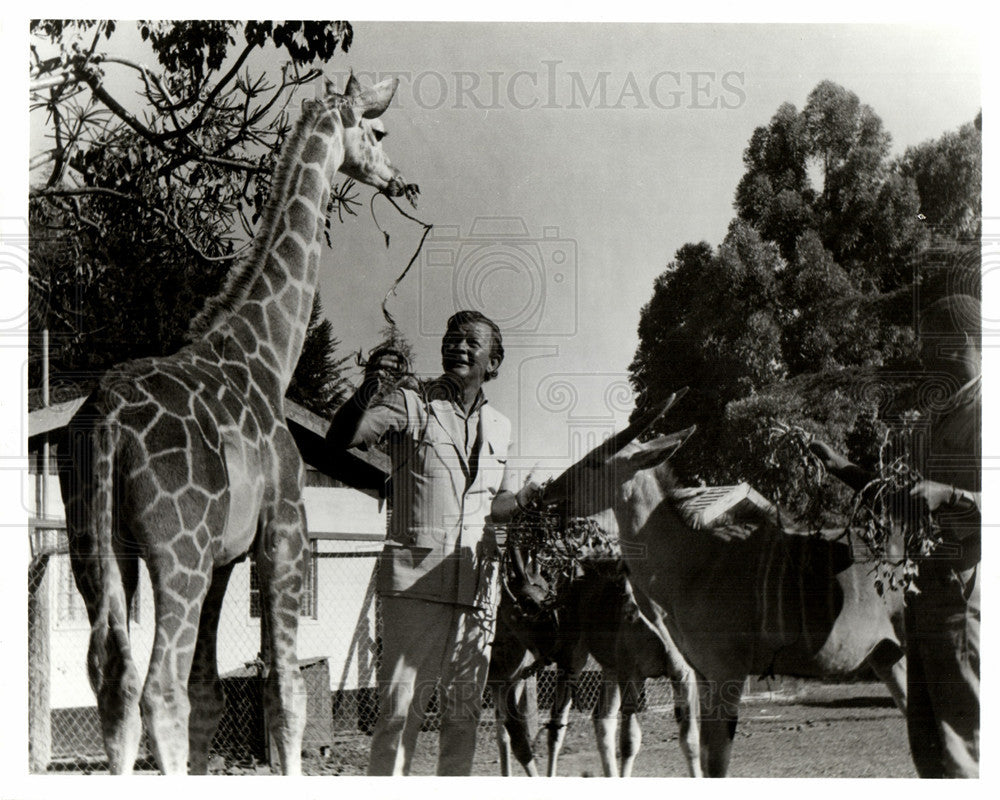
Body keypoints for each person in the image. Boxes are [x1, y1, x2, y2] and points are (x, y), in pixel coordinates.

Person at [326, 310, 542, 776]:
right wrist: (369, 388)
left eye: (471, 342)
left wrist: (522, 499)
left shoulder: (501, 427)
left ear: (495, 361)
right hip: (414, 587)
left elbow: (492, 504)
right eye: (451, 339)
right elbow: (341, 437)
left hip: (476, 590)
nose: (458, 348)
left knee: (463, 718)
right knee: (399, 715)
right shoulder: (411, 403)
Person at [810, 293, 981, 778]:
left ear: (967, 340)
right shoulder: (936, 422)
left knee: (965, 751)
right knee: (930, 751)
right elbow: (903, 500)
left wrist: (950, 494)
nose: (924, 358)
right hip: (923, 602)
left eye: (933, 345)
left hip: (962, 601)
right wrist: (843, 468)